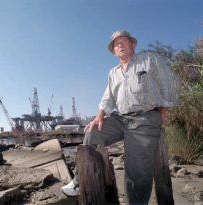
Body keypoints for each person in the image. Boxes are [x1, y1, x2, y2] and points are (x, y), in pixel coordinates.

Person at [61, 30, 180, 204]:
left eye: (123, 41)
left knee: (136, 172)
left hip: (145, 118)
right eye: (116, 44)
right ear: (114, 51)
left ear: (133, 44)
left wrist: (161, 115)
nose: (120, 45)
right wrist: (99, 116)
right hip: (121, 118)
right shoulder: (113, 73)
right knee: (93, 132)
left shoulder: (149, 60)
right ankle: (79, 181)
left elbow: (169, 83)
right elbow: (108, 97)